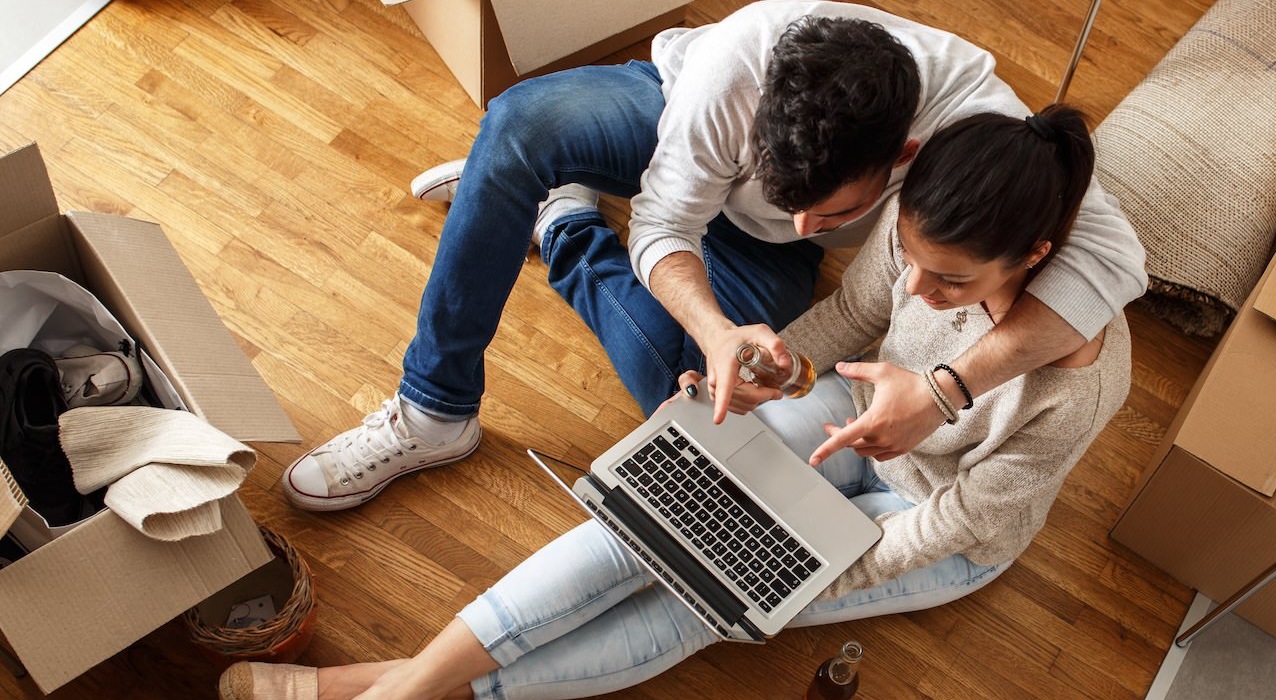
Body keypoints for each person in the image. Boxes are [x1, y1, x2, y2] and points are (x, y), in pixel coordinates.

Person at [219, 105, 1131, 700]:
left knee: (699, 596)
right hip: (857, 425)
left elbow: (965, 517)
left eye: (953, 282)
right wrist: (768, 364)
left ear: (1037, 257)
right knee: (657, 514)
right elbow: (856, 314)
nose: (920, 288)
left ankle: (374, 689)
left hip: (938, 519)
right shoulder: (923, 239)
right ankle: (408, 693)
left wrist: (784, 567)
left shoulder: (1076, 384)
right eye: (914, 261)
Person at [279, 0, 1145, 512]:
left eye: (833, 215)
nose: (808, 226)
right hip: (669, 120)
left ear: (908, 156)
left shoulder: (971, 119)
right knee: (517, 128)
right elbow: (665, 225)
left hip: (745, 226)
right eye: (791, 197)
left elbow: (1114, 262)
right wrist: (712, 318)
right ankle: (435, 410)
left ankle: (565, 224)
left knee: (703, 402)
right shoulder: (728, 76)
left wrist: (946, 389)